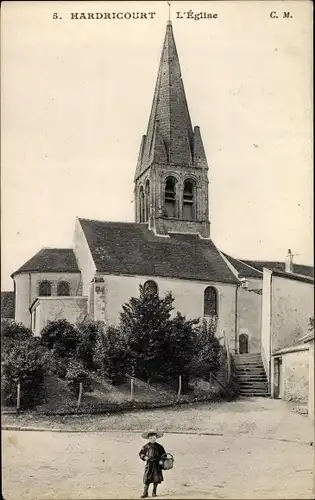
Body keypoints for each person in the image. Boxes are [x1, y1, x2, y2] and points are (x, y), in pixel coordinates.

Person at [139, 429, 166, 498]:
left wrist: (161, 460)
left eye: (154, 438)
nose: (152, 439)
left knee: (156, 479)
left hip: (157, 465)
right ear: (148, 439)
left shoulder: (159, 447)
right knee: (147, 478)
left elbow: (164, 455)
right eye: (151, 438)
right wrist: (144, 457)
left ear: (156, 438)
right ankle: (145, 492)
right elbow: (141, 453)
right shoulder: (146, 446)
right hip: (149, 464)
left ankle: (154, 491)